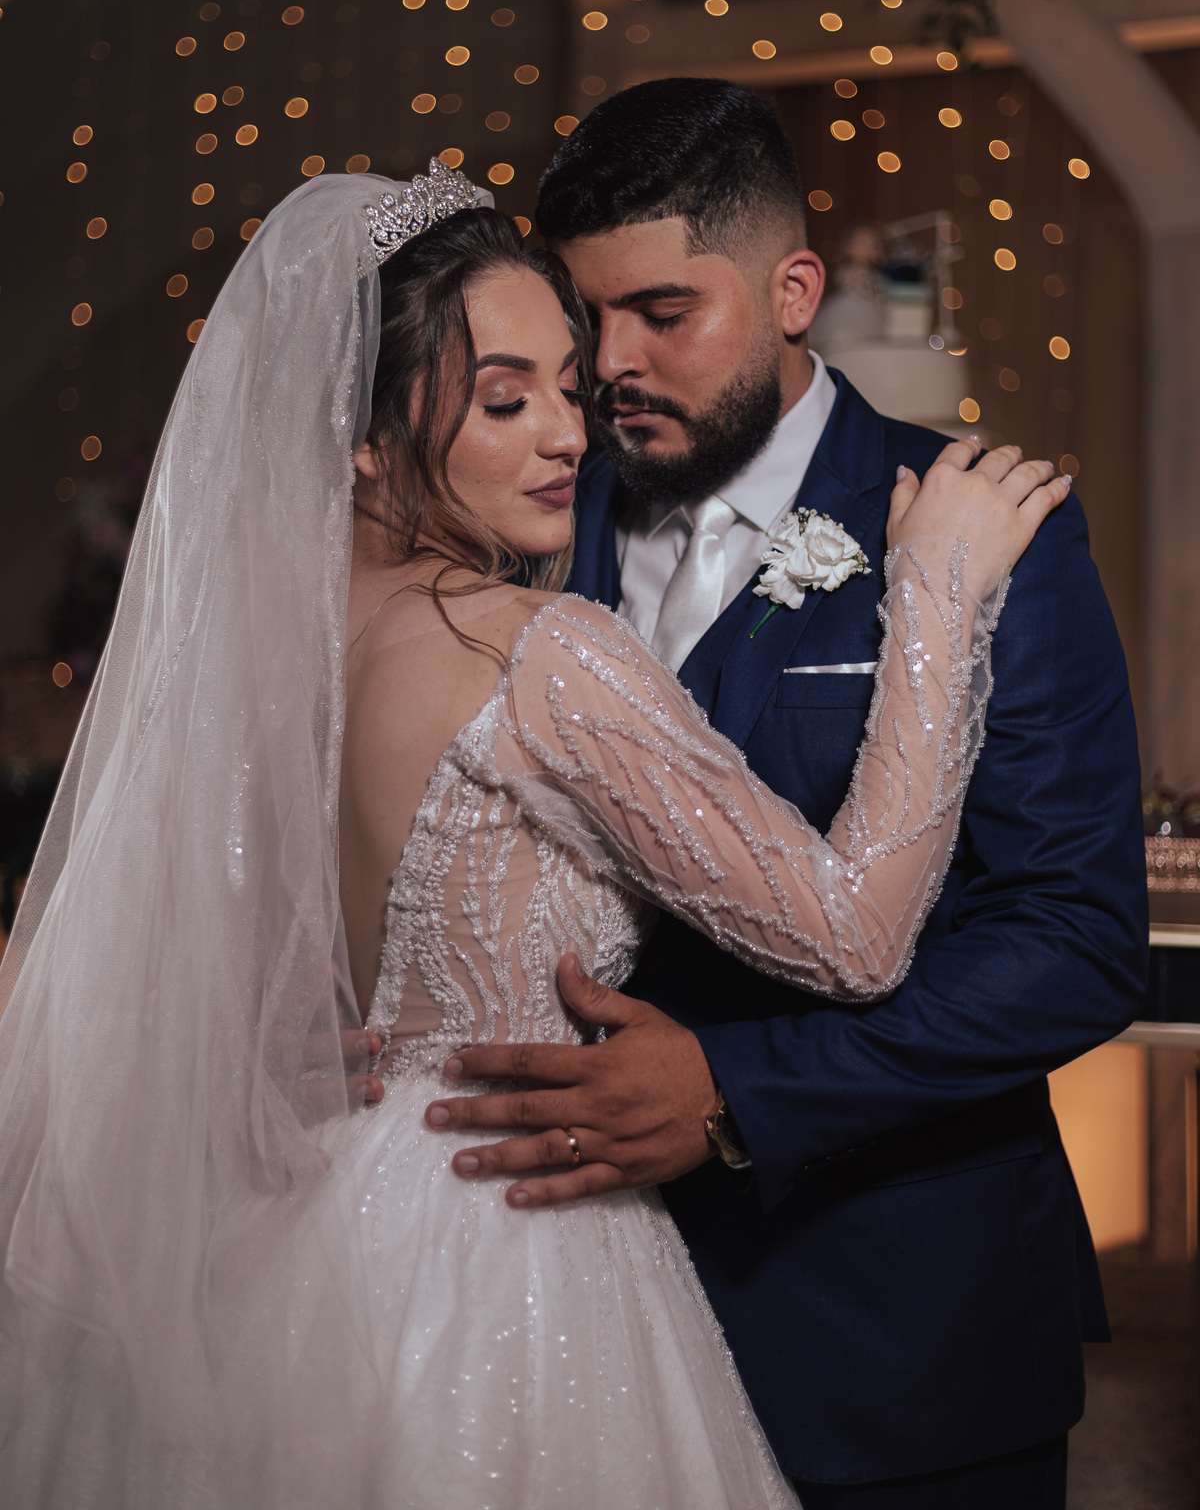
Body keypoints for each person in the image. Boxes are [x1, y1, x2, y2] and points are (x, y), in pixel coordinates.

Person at [0, 160, 1068, 1508]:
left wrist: (254, 1060)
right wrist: (939, 598)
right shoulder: (536, 651)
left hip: (305, 1247)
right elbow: (853, 937)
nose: (570, 432)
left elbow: (97, 974)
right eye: (506, 401)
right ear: (361, 436)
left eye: (567, 386)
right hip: (506, 1251)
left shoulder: (240, 664)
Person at [426, 82, 1149, 1508]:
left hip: (895, 1326)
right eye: (586, 320)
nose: (611, 366)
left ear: (794, 292)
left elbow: (1074, 938)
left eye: (663, 313)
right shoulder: (528, 512)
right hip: (571, 1312)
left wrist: (734, 1093)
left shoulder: (977, 524)